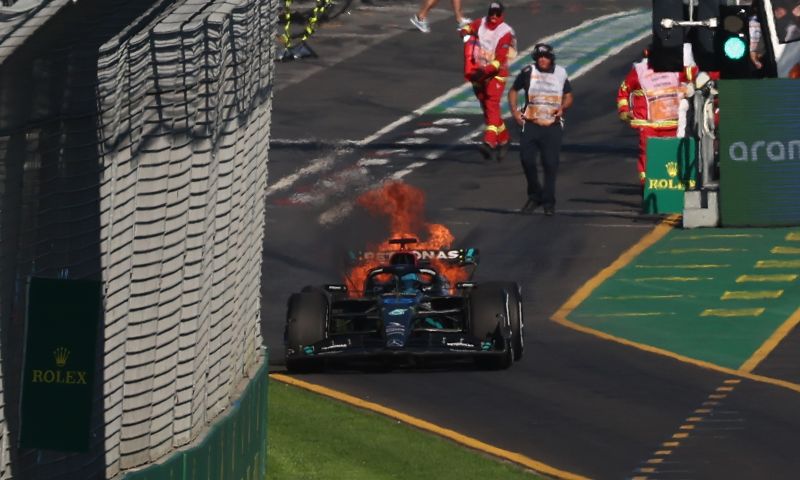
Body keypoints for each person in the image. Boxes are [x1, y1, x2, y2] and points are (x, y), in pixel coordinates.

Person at [507, 43, 572, 216]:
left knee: (550, 164)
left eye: (545, 56)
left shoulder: (560, 73)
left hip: (552, 126)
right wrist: (514, 111)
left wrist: (563, 108)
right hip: (530, 124)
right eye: (539, 57)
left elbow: (568, 96)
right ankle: (535, 195)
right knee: (527, 160)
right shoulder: (528, 72)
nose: (542, 60)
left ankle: (549, 202)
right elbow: (513, 91)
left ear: (551, 58)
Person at [616, 47, 694, 187]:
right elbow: (623, 91)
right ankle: (647, 185)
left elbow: (691, 73)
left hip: (669, 123)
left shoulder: (674, 69)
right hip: (647, 123)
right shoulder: (639, 71)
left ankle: (668, 189)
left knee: (669, 156)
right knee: (647, 154)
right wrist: (624, 111)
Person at [460, 2, 516, 161]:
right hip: (479, 71)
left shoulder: (505, 32)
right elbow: (468, 28)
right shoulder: (481, 22)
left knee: (492, 103)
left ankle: (489, 142)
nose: (494, 16)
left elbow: (500, 59)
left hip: (497, 73)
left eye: (497, 14)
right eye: (492, 12)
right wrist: (465, 33)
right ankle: (504, 139)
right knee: (486, 107)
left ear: (502, 15)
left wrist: (486, 71)